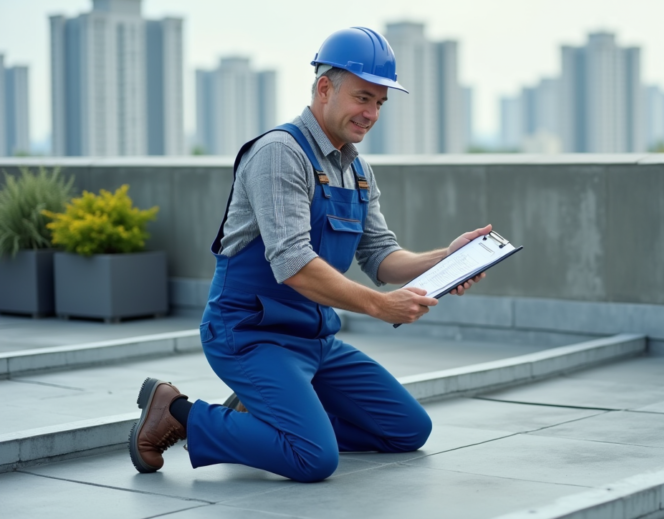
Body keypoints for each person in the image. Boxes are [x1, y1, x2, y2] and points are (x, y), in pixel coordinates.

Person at [128, 26, 490, 482]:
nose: (372, 113)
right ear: (324, 88)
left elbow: (380, 255)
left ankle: (274, 420)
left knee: (407, 429)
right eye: (363, 98)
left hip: (314, 339)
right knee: (313, 458)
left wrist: (446, 257)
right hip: (249, 334)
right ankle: (178, 412)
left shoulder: (356, 169)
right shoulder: (280, 154)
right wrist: (381, 306)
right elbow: (294, 265)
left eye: (380, 102)